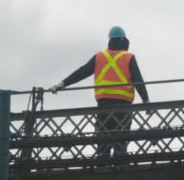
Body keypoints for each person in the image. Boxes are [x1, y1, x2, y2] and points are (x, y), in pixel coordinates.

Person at [47, 26, 150, 157]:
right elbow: (138, 80)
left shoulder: (100, 57)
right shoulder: (128, 57)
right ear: (124, 41)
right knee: (121, 141)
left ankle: (102, 166)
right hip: (123, 107)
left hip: (104, 106)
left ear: (110, 41)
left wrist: (62, 84)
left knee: (103, 140)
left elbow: (82, 72)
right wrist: (146, 101)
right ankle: (121, 167)